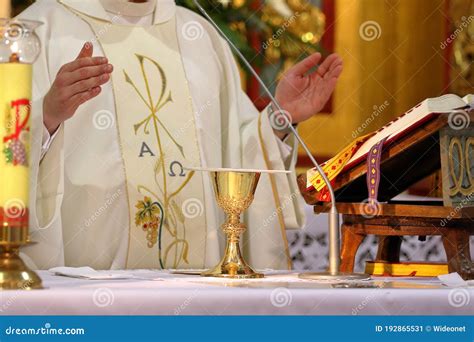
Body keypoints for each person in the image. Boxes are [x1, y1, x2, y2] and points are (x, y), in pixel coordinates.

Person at [18, 0, 343, 270]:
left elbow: (233, 154)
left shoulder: (198, 36)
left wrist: (278, 117)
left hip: (195, 294)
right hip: (85, 297)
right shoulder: (35, 32)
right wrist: (46, 115)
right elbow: (10, 149)